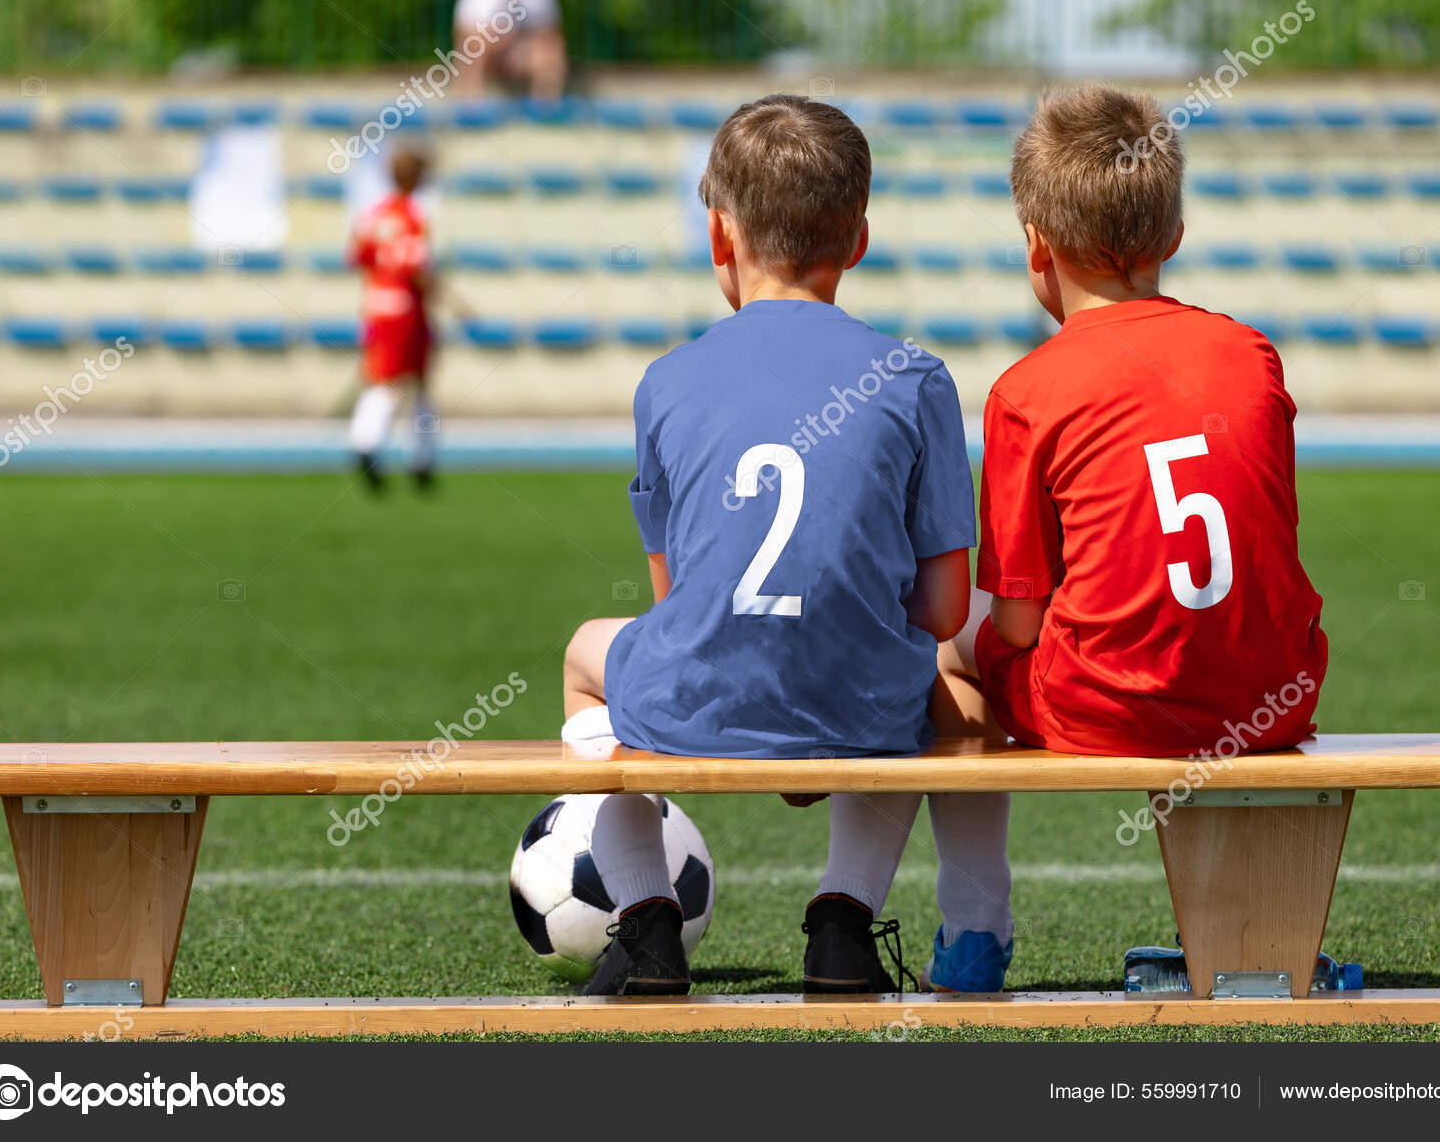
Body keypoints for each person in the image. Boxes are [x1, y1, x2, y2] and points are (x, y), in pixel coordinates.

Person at [558, 95, 1009, 997]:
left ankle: (647, 924)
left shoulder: (667, 379)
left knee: (583, 653)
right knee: (943, 680)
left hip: (699, 697)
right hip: (863, 703)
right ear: (860, 238)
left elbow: (672, 595)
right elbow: (944, 611)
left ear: (719, 236)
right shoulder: (914, 376)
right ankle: (843, 919)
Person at [918, 83, 1329, 981]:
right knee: (1202, 641)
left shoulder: (1028, 391)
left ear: (1036, 246)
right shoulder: (1251, 352)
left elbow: (1019, 626)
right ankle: (1248, 938)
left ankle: (976, 927)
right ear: (1173, 240)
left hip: (1109, 706)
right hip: (1279, 692)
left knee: (948, 643)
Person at [347, 145, 438, 491]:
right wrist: (434, 288)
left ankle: (371, 443)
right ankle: (409, 454)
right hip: (406, 310)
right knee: (416, 381)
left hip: (376, 304)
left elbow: (359, 257)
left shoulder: (373, 215)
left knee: (381, 376)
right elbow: (416, 269)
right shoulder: (413, 217)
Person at [453, 0, 567, 102]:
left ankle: (546, 105)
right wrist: (499, 41)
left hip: (521, 54)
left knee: (550, 47)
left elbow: (550, 33)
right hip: (490, 56)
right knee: (474, 45)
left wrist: (520, 47)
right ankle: (470, 104)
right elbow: (463, 36)